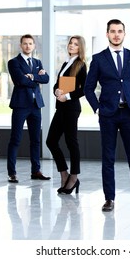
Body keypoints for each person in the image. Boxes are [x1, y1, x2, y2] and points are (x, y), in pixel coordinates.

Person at [84, 19, 130, 212]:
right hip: (107, 115)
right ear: (107, 34)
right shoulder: (99, 59)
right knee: (108, 157)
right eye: (113, 31)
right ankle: (109, 199)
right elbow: (88, 88)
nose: (116, 34)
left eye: (120, 31)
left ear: (124, 34)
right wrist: (98, 109)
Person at [7, 34, 50, 183]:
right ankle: (11, 173)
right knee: (16, 139)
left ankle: (36, 171)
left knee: (35, 140)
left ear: (34, 46)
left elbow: (46, 79)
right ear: (21, 45)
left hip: (35, 106)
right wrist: (36, 78)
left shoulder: (37, 62)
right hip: (21, 105)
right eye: (25, 43)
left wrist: (31, 77)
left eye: (30, 43)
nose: (28, 46)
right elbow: (19, 80)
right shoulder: (14, 62)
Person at [46, 35, 87, 194]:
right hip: (61, 107)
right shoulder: (65, 63)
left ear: (80, 47)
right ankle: (64, 174)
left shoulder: (81, 65)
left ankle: (74, 177)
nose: (71, 45)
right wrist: (56, 90)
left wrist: (67, 96)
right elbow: (58, 83)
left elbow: (84, 89)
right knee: (51, 141)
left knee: (71, 143)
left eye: (75, 44)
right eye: (70, 43)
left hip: (71, 108)